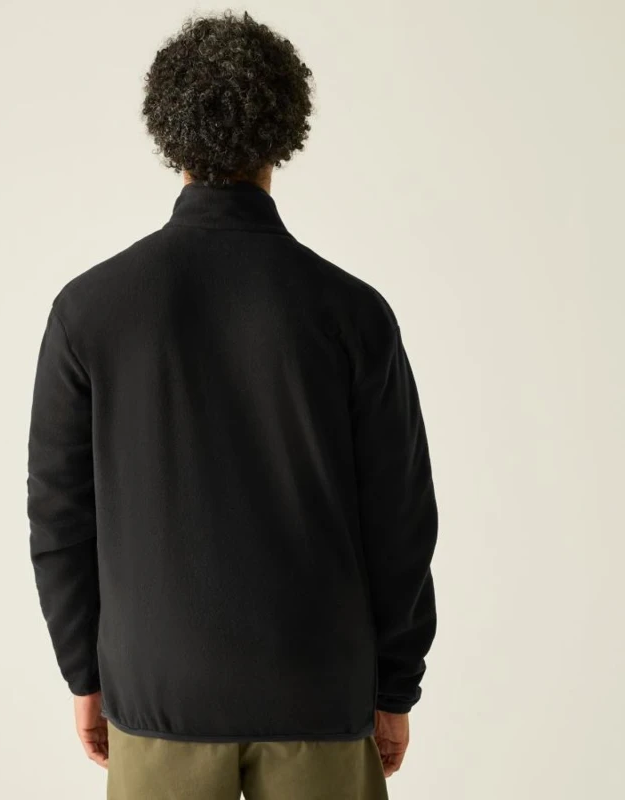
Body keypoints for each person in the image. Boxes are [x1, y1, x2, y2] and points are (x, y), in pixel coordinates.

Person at [27, 10, 438, 800]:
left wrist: (85, 671)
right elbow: (400, 519)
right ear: (282, 132)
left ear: (169, 132)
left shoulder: (89, 311)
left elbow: (60, 518)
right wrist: (396, 685)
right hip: (320, 690)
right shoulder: (352, 313)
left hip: (157, 692)